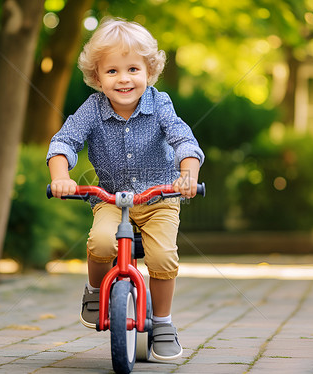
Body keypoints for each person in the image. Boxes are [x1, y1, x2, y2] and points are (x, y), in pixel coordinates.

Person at [46, 17, 204, 361]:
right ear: (97, 77)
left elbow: (184, 141)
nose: (124, 79)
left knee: (162, 257)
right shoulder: (92, 109)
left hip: (159, 199)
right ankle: (93, 291)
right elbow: (64, 142)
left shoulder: (160, 104)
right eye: (112, 71)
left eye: (133, 68)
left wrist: (187, 174)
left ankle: (162, 322)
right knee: (100, 241)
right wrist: (61, 175)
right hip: (112, 200)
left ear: (149, 71)